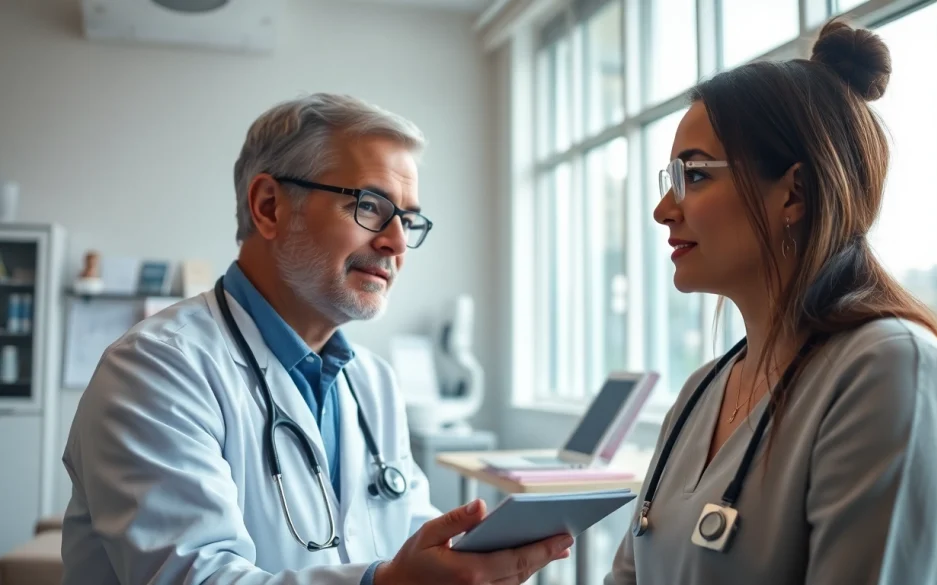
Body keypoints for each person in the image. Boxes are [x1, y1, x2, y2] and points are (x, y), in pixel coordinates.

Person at [60, 93, 572, 585]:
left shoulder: (372, 382)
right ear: (269, 206)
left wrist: (468, 563)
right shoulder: (155, 370)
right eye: (371, 206)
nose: (396, 242)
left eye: (408, 219)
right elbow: (195, 577)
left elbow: (409, 536)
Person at [604, 19, 937, 585]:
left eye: (693, 174)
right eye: (669, 178)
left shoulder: (890, 373)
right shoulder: (698, 395)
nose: (664, 208)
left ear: (795, 192)